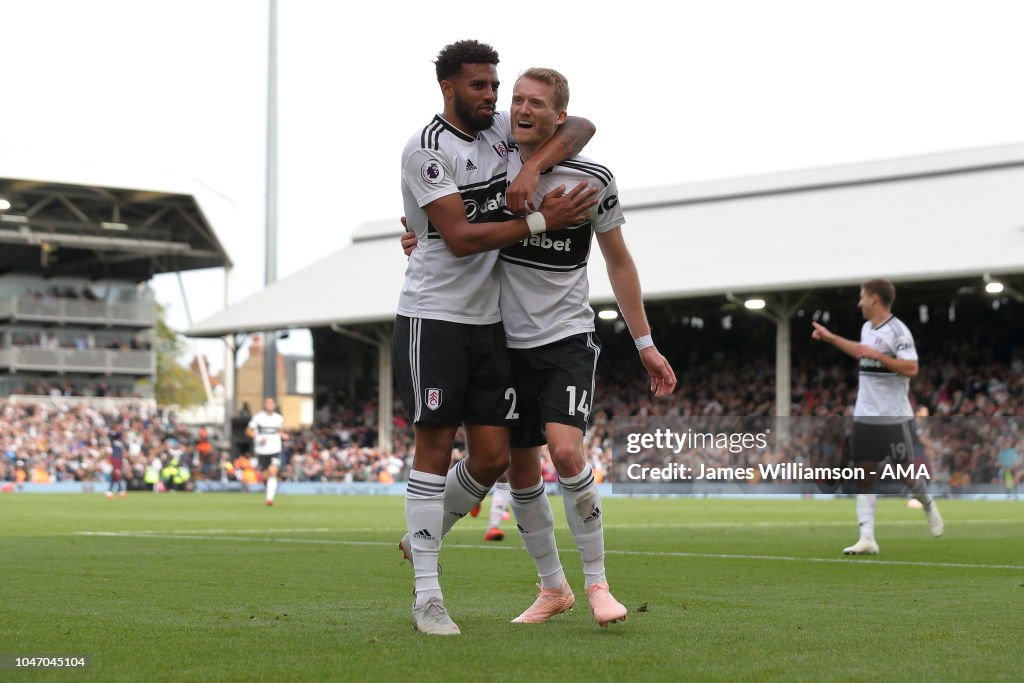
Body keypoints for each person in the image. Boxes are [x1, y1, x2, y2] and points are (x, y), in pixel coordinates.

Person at [402, 68, 677, 627]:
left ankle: (598, 583)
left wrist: (645, 342)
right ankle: (553, 588)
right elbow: (455, 224)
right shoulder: (489, 155)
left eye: (537, 104)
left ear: (557, 116)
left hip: (565, 338)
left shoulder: (591, 178)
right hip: (502, 341)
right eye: (517, 100)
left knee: (567, 451)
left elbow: (618, 260)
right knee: (514, 468)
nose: (522, 109)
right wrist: (422, 236)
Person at [394, 40, 599, 636]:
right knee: (434, 450)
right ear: (448, 88)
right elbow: (458, 238)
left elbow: (581, 124)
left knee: (490, 458)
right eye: (480, 87)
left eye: (495, 86)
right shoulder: (426, 150)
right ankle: (428, 595)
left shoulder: (500, 133)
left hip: (491, 323)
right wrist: (541, 220)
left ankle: (420, 535)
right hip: (435, 316)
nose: (492, 98)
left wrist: (533, 166)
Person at [811, 278, 943, 555]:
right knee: (864, 474)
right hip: (866, 416)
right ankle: (867, 537)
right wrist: (830, 337)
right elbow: (861, 353)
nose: (859, 302)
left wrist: (879, 356)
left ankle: (928, 504)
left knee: (907, 475)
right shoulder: (866, 328)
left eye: (861, 296)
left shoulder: (898, 331)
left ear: (874, 299)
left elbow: (911, 368)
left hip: (894, 418)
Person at [246, 397, 286, 506]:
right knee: (264, 476)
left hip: (275, 449)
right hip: (262, 450)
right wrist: (258, 437)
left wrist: (284, 436)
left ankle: (269, 499)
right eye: (267, 402)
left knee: (273, 472)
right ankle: (269, 488)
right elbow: (248, 431)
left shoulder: (279, 418)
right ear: (264, 404)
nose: (269, 404)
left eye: (271, 402)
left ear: (274, 404)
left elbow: (280, 431)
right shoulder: (258, 417)